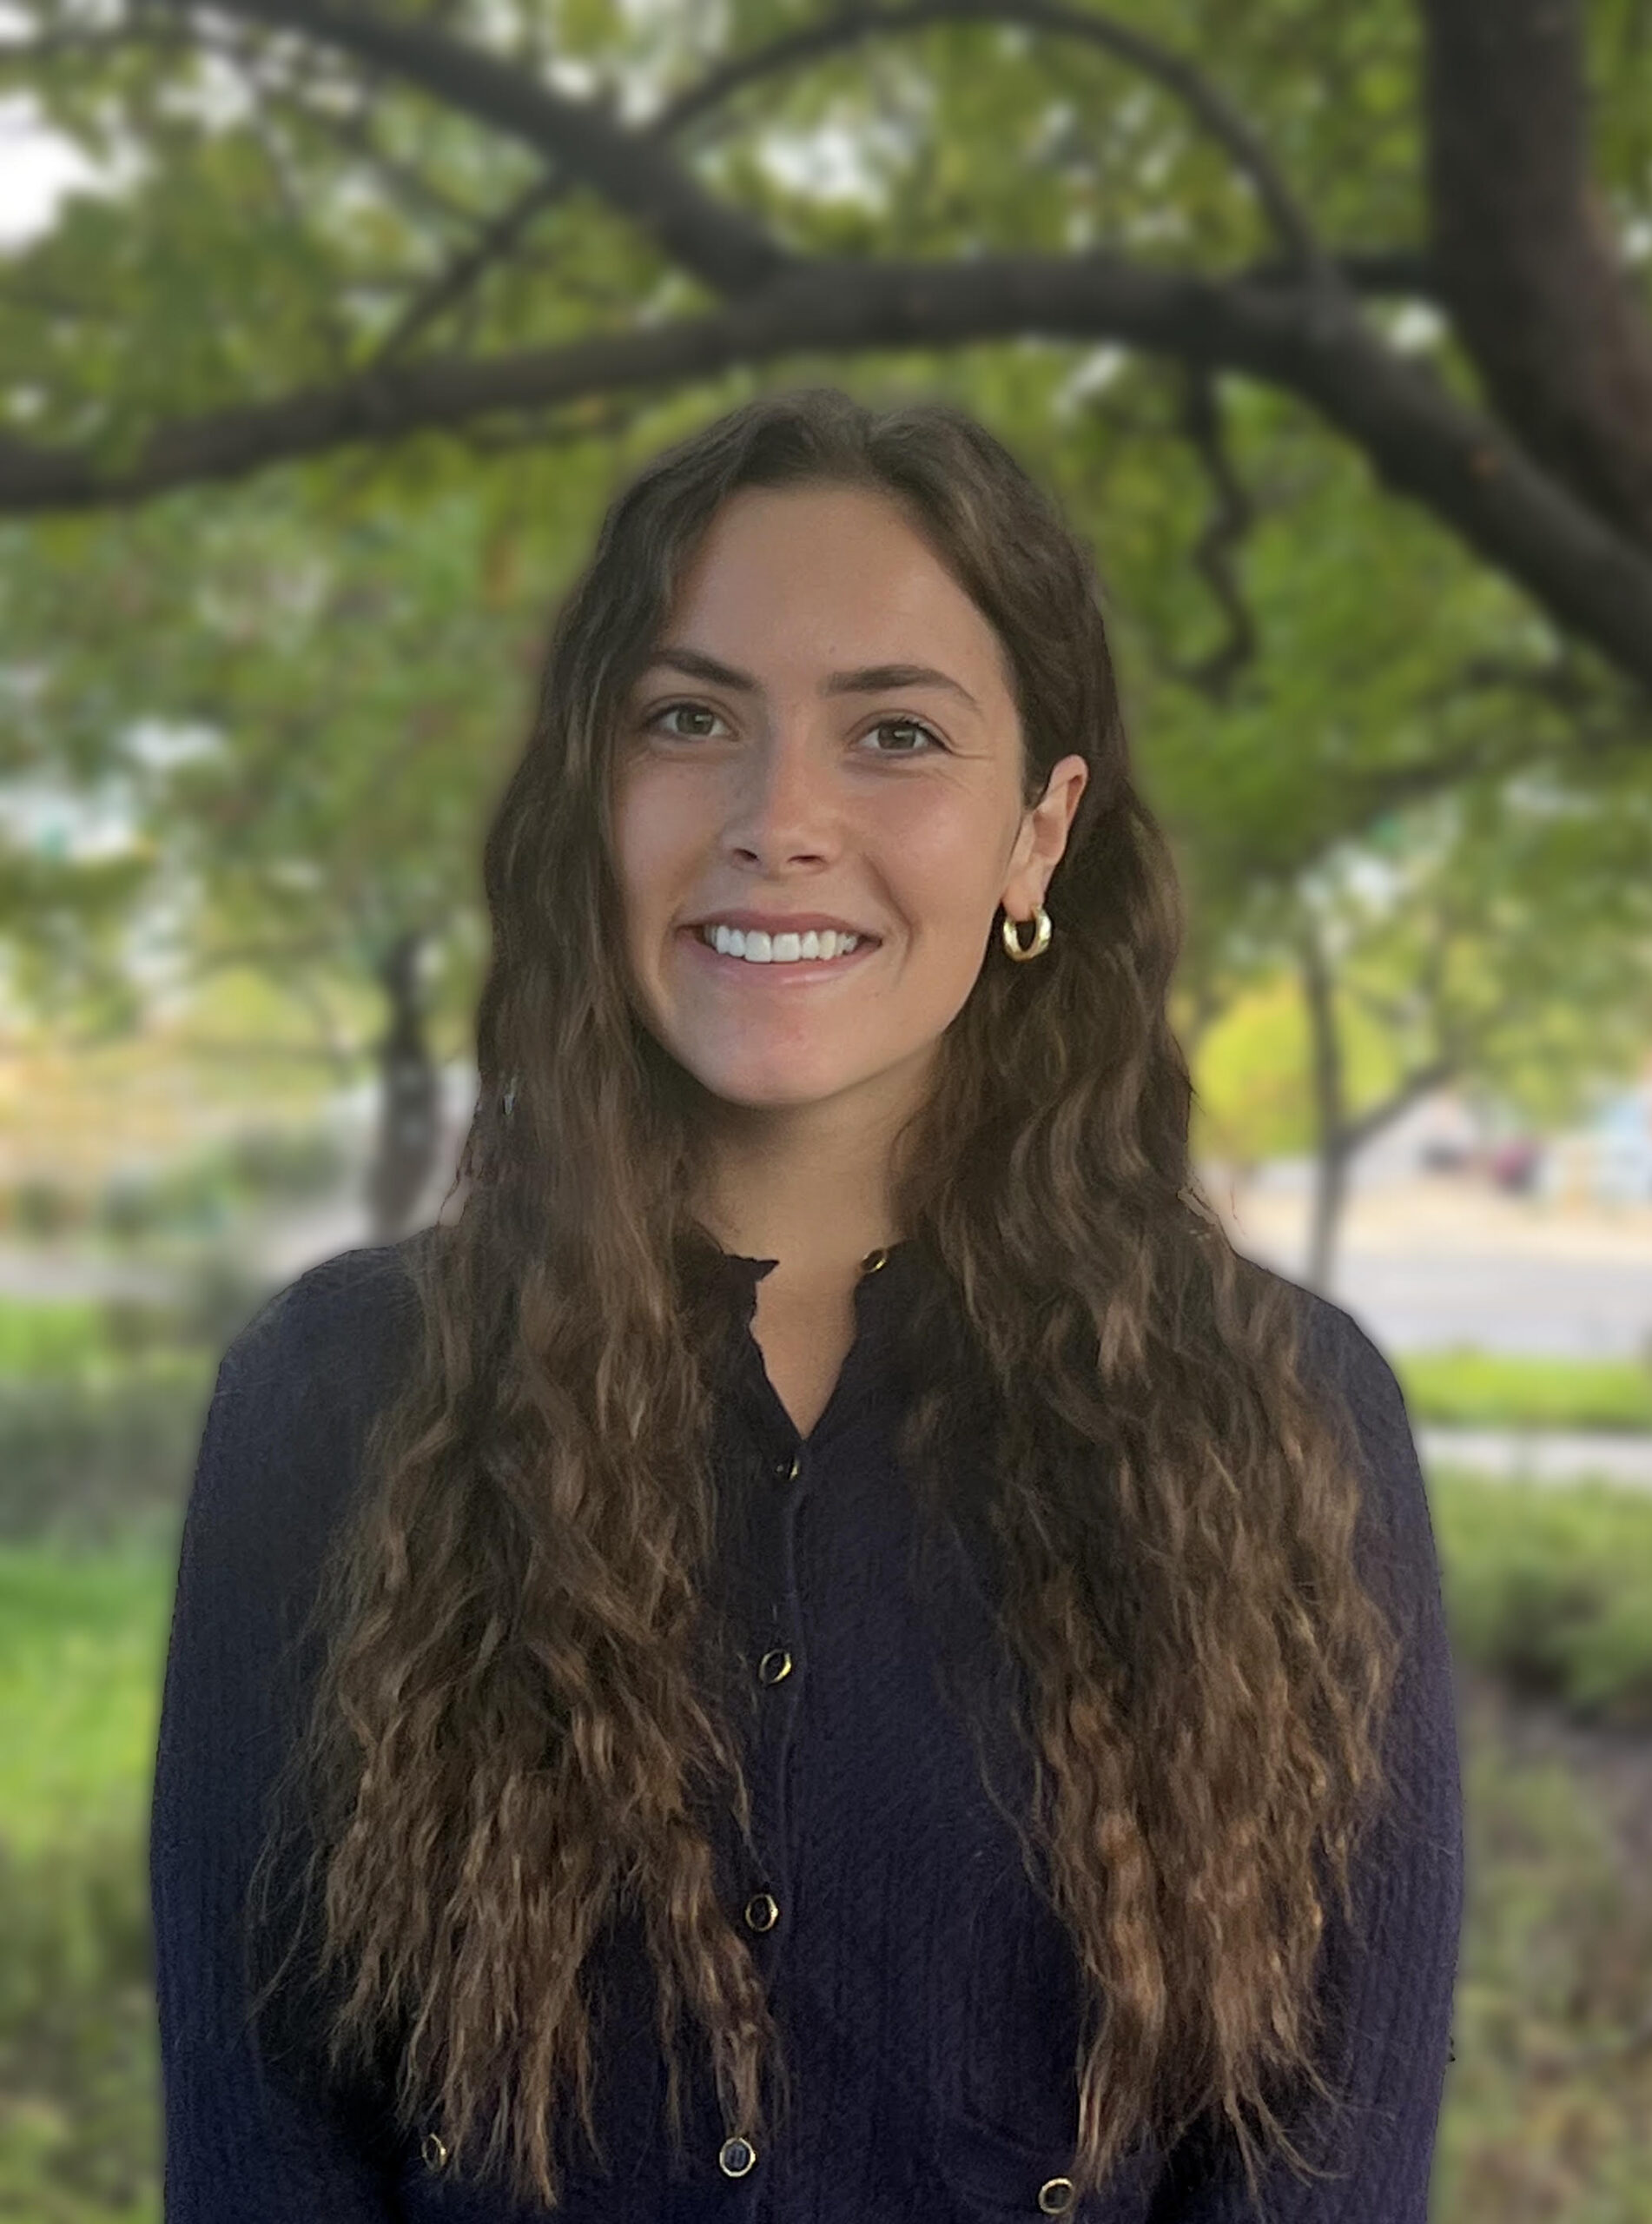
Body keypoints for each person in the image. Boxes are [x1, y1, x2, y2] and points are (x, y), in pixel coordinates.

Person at [149, 387, 1464, 2223]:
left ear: (1037, 832)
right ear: (591, 796)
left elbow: (1317, 2166)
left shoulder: (1289, 1419)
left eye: (896, 733)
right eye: (690, 720)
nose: (779, 819)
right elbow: (263, 2143)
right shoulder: (333, 1397)